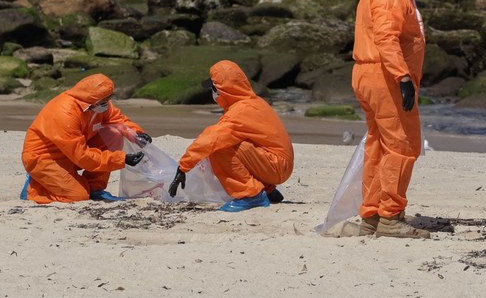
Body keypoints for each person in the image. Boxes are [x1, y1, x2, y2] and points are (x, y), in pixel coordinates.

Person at [351, 0, 431, 239]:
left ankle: (371, 214)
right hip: (384, 76)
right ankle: (389, 217)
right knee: (402, 145)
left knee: (379, 145)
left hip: (372, 73)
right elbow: (387, 38)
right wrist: (403, 78)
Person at [167, 60, 294, 212]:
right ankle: (268, 190)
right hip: (279, 164)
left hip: (276, 166)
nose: (212, 93)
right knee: (236, 143)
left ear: (222, 90)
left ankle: (250, 195)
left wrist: (183, 167)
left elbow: (210, 140)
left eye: (213, 88)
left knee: (219, 148)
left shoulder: (238, 113)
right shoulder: (254, 102)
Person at [21, 73, 150, 204]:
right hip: (44, 157)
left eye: (109, 98)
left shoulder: (97, 103)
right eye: (105, 100)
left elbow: (117, 119)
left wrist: (136, 133)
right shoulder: (65, 113)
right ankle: (33, 189)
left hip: (71, 153)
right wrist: (122, 159)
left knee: (114, 135)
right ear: (92, 100)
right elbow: (81, 156)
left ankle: (95, 188)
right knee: (77, 196)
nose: (108, 103)